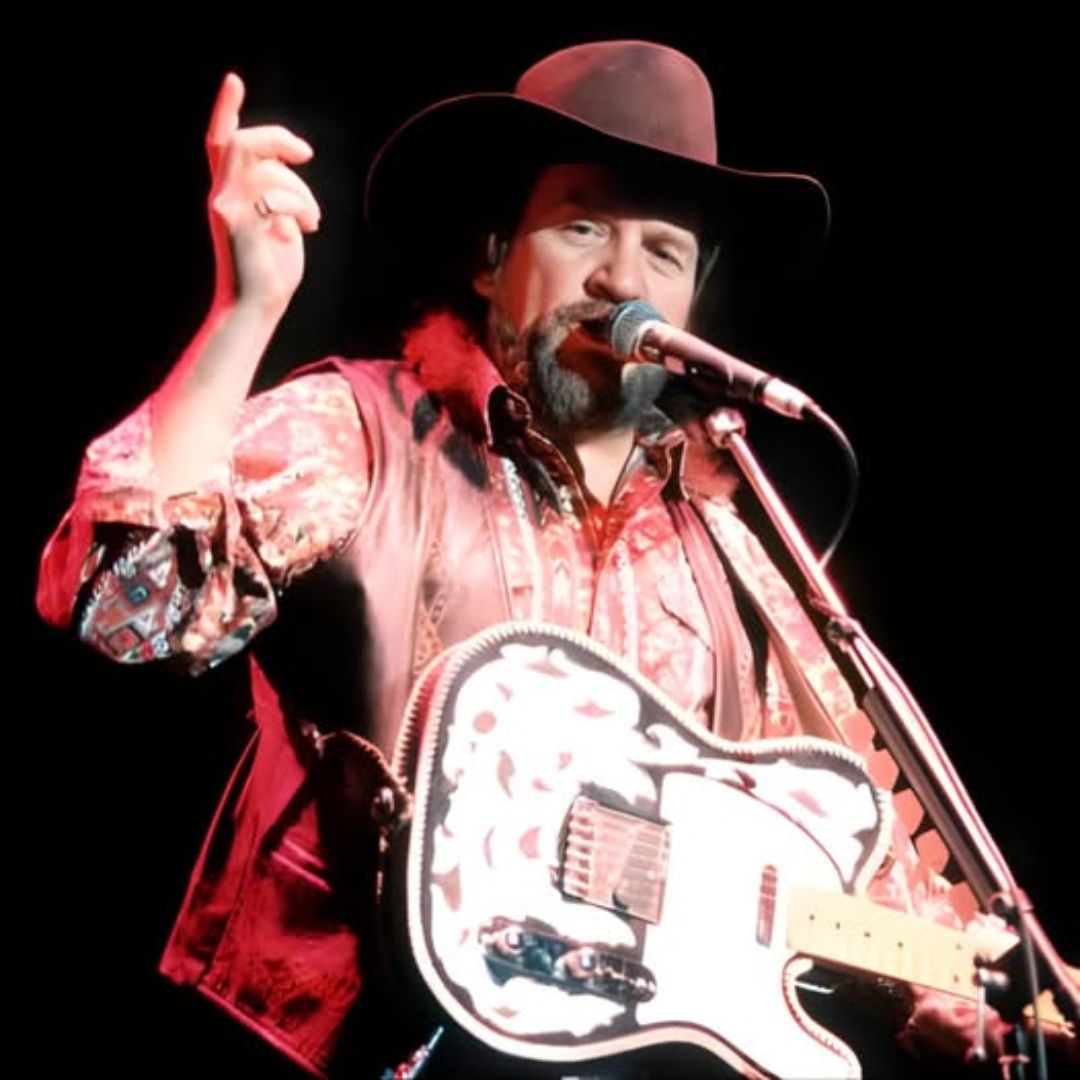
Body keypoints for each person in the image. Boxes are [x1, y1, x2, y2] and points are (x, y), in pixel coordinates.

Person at [35, 39, 1068, 1078]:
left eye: (663, 251)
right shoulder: (363, 434)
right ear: (493, 257)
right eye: (583, 227)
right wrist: (244, 312)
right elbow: (125, 610)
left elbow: (848, 854)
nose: (623, 278)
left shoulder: (729, 548)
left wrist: (971, 984)